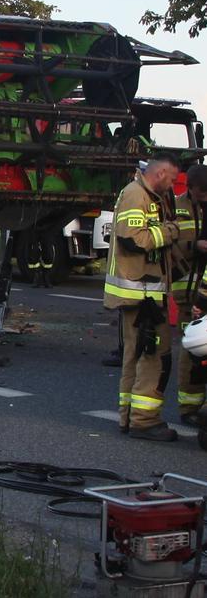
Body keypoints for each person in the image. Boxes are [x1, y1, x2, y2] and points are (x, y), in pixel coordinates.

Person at [103, 152, 182, 440]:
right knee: (153, 356)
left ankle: (128, 417)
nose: (173, 186)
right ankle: (143, 421)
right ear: (161, 173)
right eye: (172, 179)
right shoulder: (137, 195)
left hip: (141, 291)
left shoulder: (144, 193)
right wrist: (170, 231)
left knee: (135, 356)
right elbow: (133, 239)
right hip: (141, 292)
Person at [174, 164, 207, 424]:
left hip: (203, 289)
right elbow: (170, 247)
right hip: (187, 292)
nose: (204, 196)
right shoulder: (177, 208)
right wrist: (193, 245)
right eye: (201, 193)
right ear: (190, 188)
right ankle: (189, 407)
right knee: (192, 351)